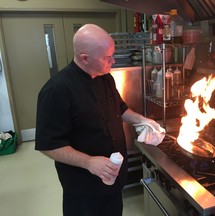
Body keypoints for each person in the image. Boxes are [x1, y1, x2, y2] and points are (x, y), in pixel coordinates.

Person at [35, 24, 162, 216]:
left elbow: (120, 108)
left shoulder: (105, 78)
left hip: (114, 177)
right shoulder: (57, 90)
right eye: (107, 57)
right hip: (83, 186)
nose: (112, 61)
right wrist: (89, 162)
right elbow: (49, 145)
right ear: (85, 58)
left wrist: (143, 120)